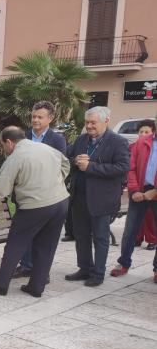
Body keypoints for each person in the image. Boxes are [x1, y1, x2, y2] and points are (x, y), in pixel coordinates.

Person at [0, 127, 70, 297]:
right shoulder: (47, 149)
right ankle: (36, 287)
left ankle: (1, 283)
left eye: (3, 145)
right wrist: (54, 183)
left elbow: (0, 188)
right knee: (46, 246)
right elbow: (66, 164)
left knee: (15, 244)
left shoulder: (15, 158)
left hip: (34, 206)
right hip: (61, 202)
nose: (4, 150)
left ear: (9, 142)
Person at [64, 106, 130, 287]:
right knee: (81, 235)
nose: (89, 126)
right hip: (79, 197)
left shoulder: (118, 142)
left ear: (106, 121)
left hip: (102, 199)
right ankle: (84, 268)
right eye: (87, 122)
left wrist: (91, 167)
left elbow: (122, 168)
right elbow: (65, 159)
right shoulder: (81, 139)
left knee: (100, 238)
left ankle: (98, 273)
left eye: (93, 122)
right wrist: (75, 162)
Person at [12, 101, 68, 279]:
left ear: (50, 119)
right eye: (33, 116)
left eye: (39, 117)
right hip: (25, 195)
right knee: (25, 233)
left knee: (44, 236)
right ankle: (26, 265)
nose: (35, 120)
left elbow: (59, 167)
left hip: (46, 197)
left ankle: (41, 271)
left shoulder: (57, 140)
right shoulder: (23, 137)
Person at [109, 115, 157, 282]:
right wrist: (135, 189)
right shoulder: (141, 143)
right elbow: (131, 168)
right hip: (139, 191)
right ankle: (123, 263)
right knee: (129, 231)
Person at [132, 120, 157, 251]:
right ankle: (138, 237)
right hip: (139, 186)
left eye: (146, 132)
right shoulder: (134, 146)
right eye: (140, 132)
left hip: (153, 188)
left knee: (150, 216)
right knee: (137, 216)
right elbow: (131, 167)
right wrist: (134, 187)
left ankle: (152, 239)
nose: (143, 134)